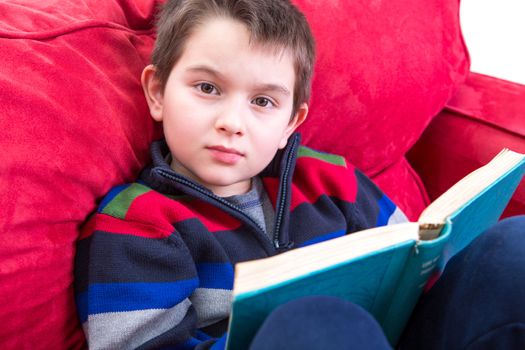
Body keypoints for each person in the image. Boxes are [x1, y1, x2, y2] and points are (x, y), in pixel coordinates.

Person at [74, 0, 525, 349]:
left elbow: (410, 263)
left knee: (513, 245)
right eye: (207, 88)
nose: (233, 122)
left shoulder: (333, 182)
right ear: (157, 92)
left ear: (291, 121)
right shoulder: (139, 224)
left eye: (263, 102)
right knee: (319, 325)